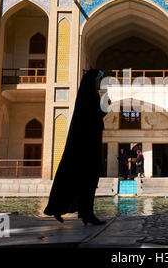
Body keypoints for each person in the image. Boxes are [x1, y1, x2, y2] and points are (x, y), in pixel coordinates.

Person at [44, 69, 108, 225]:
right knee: (88, 180)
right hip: (87, 147)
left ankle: (72, 211)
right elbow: (94, 119)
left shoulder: (85, 96)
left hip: (84, 145)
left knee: (77, 179)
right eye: (98, 80)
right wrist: (105, 108)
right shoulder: (90, 96)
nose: (99, 83)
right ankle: (86, 215)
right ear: (92, 81)